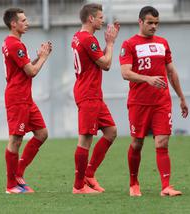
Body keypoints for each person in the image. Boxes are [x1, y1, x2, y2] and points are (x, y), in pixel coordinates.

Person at [119, 6, 188, 197]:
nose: (154, 26)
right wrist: (148, 79)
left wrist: (181, 97)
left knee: (162, 142)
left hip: (161, 102)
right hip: (139, 102)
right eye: (150, 22)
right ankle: (134, 183)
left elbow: (171, 72)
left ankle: (166, 186)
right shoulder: (129, 44)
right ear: (140, 22)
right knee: (137, 143)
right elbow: (125, 73)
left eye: (156, 23)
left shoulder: (162, 43)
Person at [2, 8, 52, 194]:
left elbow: (25, 66)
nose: (27, 22)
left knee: (41, 133)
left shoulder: (12, 43)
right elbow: (31, 71)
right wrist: (44, 58)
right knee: (16, 139)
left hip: (25, 98)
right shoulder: (15, 44)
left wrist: (38, 56)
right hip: (17, 97)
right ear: (13, 24)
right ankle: (11, 185)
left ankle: (19, 173)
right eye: (23, 20)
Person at [71, 3, 119, 194]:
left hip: (93, 94)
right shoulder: (87, 39)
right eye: (100, 17)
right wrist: (110, 43)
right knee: (85, 140)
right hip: (88, 94)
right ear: (91, 18)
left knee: (111, 131)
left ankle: (89, 174)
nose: (102, 20)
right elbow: (106, 64)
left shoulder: (78, 36)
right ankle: (78, 186)